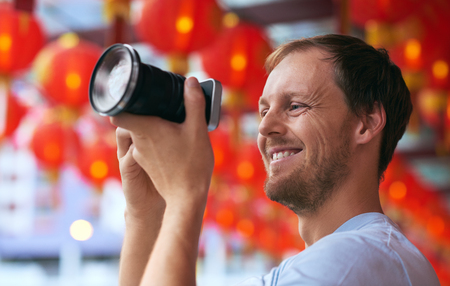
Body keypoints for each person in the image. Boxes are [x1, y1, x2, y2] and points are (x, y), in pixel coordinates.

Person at [110, 34, 440, 286]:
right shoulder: (366, 254)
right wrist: (146, 213)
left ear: (365, 123)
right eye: (264, 110)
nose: (265, 127)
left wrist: (185, 194)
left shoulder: (353, 259)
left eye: (295, 106)